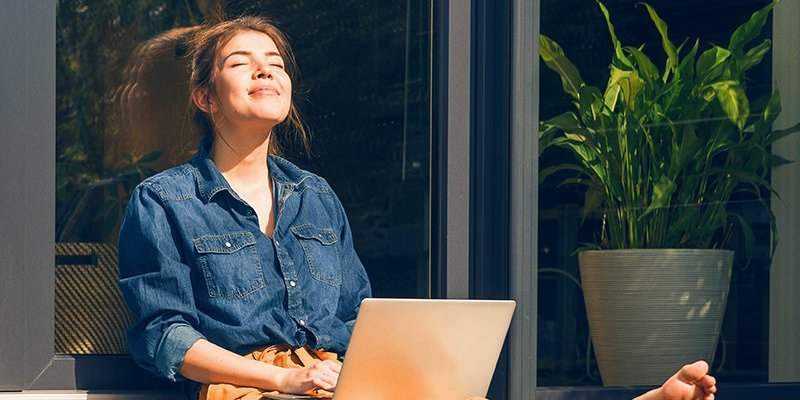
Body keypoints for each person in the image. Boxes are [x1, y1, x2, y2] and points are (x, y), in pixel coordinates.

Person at [118, 16, 717, 400]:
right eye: (241, 63)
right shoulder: (164, 201)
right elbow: (163, 336)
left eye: (275, 63)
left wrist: (399, 368)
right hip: (250, 387)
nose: (265, 70)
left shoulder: (315, 195)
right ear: (205, 96)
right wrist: (283, 377)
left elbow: (358, 315)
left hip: (337, 378)